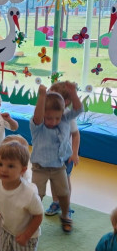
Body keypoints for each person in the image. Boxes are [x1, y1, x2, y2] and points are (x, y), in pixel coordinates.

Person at [30, 83, 83, 233]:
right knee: (37, 194)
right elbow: (38, 116)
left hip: (59, 166)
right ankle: (32, 218)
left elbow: (78, 109)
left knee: (64, 193)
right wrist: (42, 96)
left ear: (62, 114)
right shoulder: (38, 125)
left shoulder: (65, 119)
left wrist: (73, 93)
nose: (53, 122)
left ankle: (65, 215)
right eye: (49, 118)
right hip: (40, 168)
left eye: (57, 118)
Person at [45, 81, 80, 219]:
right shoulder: (46, 112)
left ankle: (66, 205)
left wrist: (75, 153)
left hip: (65, 156)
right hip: (51, 156)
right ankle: (56, 202)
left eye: (53, 96)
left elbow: (76, 135)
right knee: (53, 180)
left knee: (65, 181)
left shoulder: (67, 116)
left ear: (65, 102)